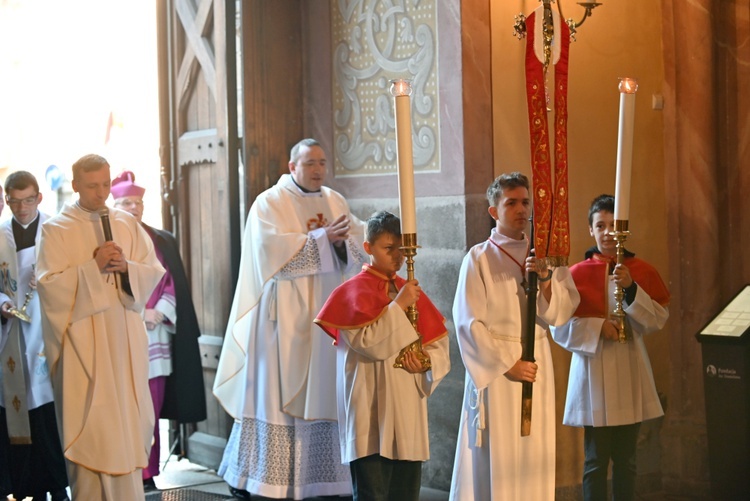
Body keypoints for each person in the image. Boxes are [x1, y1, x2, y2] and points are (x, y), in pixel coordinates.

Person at [213, 138, 368, 499]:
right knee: (274, 396)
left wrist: (341, 243)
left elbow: (357, 239)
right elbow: (267, 250)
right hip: (281, 320)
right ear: (291, 166)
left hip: (324, 317)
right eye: (310, 162)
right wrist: (320, 239)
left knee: (325, 392)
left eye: (322, 162)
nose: (317, 169)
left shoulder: (334, 200)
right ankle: (264, 479)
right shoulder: (270, 202)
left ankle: (324, 480)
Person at [36, 154, 165, 500]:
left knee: (126, 427)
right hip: (83, 349)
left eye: (106, 185)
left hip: (124, 340)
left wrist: (127, 269)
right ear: (75, 185)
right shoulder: (56, 229)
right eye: (92, 186)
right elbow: (49, 288)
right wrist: (93, 268)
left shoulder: (126, 223)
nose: (101, 194)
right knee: (91, 431)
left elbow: (151, 270)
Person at [449, 172, 580, 500]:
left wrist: (547, 281)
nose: (521, 209)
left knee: (534, 454)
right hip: (499, 373)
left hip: (537, 366)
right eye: (511, 203)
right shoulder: (478, 257)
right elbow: (467, 323)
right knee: (501, 455)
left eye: (525, 202)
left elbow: (561, 314)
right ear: (494, 211)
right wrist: (508, 364)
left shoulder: (546, 256)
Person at [315, 211, 450, 501]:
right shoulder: (350, 294)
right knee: (372, 494)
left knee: (405, 493)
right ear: (368, 248)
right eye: (388, 249)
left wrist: (426, 363)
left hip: (406, 410)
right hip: (369, 411)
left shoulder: (409, 292)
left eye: (402, 249)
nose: (398, 257)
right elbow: (370, 344)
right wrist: (398, 306)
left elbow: (439, 345)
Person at [550, 194, 670, 501]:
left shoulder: (638, 270)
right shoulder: (576, 274)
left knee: (627, 461)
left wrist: (630, 288)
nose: (606, 232)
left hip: (630, 368)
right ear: (590, 230)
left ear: (623, 230)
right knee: (595, 461)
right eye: (599, 225)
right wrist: (595, 327)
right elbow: (558, 325)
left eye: (613, 225)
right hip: (595, 375)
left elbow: (656, 320)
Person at [111, 171, 207, 491]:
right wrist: (139, 313)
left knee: (151, 406)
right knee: (125, 408)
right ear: (114, 204)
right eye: (126, 202)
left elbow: (170, 283)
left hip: (156, 334)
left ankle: (148, 472)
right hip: (122, 333)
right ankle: (124, 469)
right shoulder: (105, 242)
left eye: (137, 202)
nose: (133, 208)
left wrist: (157, 313)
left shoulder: (159, 238)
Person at [0, 172, 69, 501]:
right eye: (15, 201)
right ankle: (28, 487)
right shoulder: (1, 235)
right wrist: (3, 303)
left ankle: (58, 486)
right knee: (19, 410)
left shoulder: (55, 230)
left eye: (28, 200)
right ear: (7, 199)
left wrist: (49, 282)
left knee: (48, 413)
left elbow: (71, 276)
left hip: (49, 329)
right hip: (12, 335)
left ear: (40, 198)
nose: (22, 208)